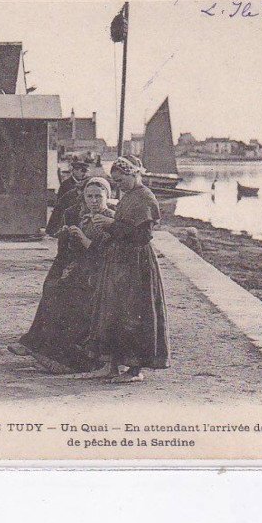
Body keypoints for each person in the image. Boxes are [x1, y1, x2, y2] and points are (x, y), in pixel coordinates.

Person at [10, 177, 115, 373]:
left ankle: (60, 355)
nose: (93, 201)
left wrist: (82, 238)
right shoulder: (83, 216)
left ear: (107, 197)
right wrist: (68, 236)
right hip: (83, 270)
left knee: (67, 297)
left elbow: (104, 254)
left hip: (100, 274)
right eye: (89, 196)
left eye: (98, 197)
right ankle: (41, 346)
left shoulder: (109, 218)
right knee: (53, 290)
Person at [82, 156, 170, 382]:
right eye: (115, 181)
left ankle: (134, 370)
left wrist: (111, 225)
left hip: (136, 262)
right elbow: (123, 228)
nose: (117, 185)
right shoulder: (129, 195)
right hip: (119, 260)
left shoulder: (145, 198)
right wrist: (108, 226)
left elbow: (143, 236)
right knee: (112, 309)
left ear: (134, 174)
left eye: (120, 180)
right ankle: (110, 365)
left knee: (132, 312)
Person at [46, 159, 89, 236]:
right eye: (82, 171)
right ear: (74, 171)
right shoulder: (66, 184)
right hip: (66, 214)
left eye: (85, 171)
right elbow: (59, 204)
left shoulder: (85, 183)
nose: (84, 174)